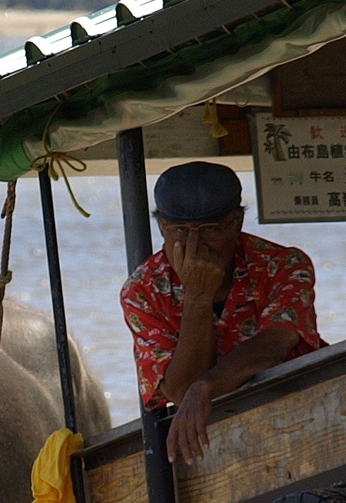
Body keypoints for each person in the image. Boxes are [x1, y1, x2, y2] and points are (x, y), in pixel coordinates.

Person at [120, 161, 324, 465]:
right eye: (178, 231)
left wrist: (206, 386)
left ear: (237, 221)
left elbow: (276, 343)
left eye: (209, 230)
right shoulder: (143, 290)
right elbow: (178, 389)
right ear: (161, 227)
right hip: (213, 449)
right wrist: (198, 298)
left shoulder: (282, 264)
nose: (193, 245)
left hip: (305, 416)